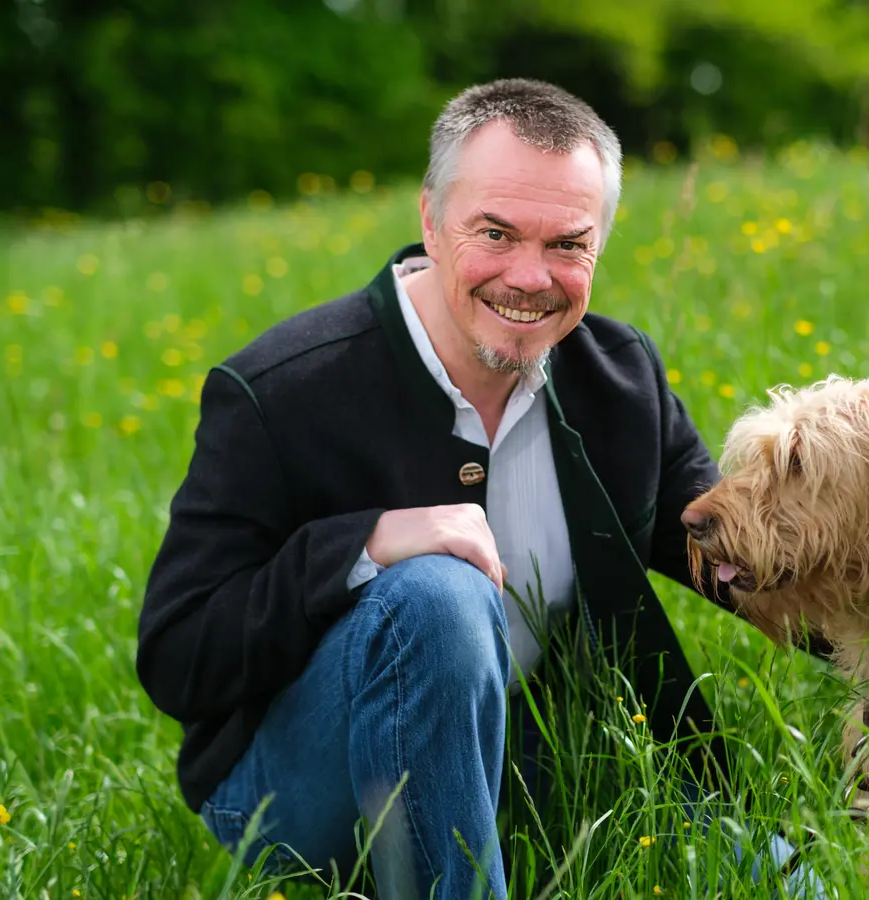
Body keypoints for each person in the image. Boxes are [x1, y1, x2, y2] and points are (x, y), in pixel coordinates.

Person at [136, 79, 826, 899]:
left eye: (568, 245)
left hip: (544, 766)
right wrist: (362, 546)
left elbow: (730, 554)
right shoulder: (281, 391)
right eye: (495, 233)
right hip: (300, 791)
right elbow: (177, 657)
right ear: (430, 219)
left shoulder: (620, 377)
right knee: (435, 596)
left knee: (797, 886)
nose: (530, 278)